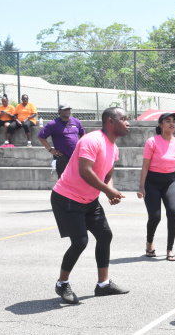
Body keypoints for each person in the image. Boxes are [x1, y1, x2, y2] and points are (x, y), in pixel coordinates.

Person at [50, 107, 131, 305]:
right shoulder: (91, 140)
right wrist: (107, 191)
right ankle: (62, 283)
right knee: (80, 242)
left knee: (105, 236)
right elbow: (85, 171)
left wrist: (110, 190)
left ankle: (103, 285)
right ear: (110, 122)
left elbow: (107, 175)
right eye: (124, 119)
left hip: (89, 200)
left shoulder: (114, 147)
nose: (128, 122)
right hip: (67, 197)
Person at [138, 112, 175, 261]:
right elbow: (145, 166)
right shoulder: (152, 142)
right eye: (168, 121)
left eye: (173, 121)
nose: (172, 123)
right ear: (160, 125)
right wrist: (141, 186)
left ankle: (170, 249)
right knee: (155, 216)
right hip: (152, 181)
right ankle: (149, 242)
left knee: (172, 212)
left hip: (170, 181)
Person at [37, 104, 86, 178]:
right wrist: (51, 150)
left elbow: (83, 134)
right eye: (65, 110)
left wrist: (81, 146)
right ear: (60, 111)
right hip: (62, 156)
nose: (67, 111)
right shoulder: (53, 124)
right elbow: (41, 137)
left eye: (68, 110)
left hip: (76, 155)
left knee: (77, 178)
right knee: (63, 179)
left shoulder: (76, 122)